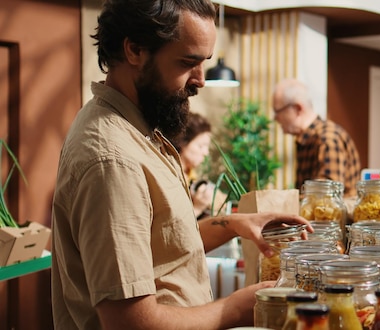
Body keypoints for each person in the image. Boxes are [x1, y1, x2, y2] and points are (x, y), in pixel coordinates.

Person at [50, 1, 311, 329]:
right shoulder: (113, 160)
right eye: (188, 62)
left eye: (205, 63)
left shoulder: (137, 130)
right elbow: (129, 322)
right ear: (135, 50)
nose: (200, 80)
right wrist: (234, 309)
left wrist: (234, 224)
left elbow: (162, 247)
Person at [272, 78, 362, 197]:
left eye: (278, 111)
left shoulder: (328, 139)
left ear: (298, 109)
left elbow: (325, 198)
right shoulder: (306, 140)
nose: (275, 118)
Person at [171, 112, 229, 219]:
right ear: (182, 143)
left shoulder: (193, 177)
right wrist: (197, 208)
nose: (205, 153)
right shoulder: (170, 177)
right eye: (201, 146)